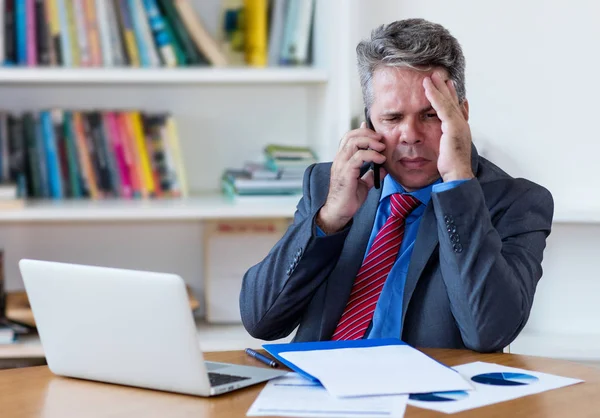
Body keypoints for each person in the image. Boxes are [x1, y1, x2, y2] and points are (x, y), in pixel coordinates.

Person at [239, 18, 553, 352]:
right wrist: (330, 218)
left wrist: (459, 181)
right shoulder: (327, 185)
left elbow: (488, 332)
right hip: (317, 393)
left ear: (461, 115)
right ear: (369, 122)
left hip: (431, 400)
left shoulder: (516, 203)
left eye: (431, 115)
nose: (411, 135)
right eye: (392, 118)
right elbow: (262, 321)